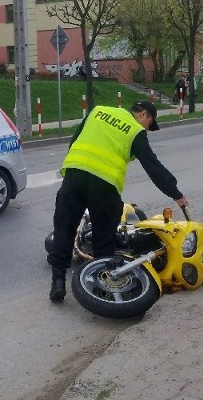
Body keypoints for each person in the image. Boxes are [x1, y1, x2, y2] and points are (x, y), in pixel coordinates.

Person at [46, 100, 189, 302]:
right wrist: (176, 193)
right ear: (144, 115)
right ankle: (101, 286)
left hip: (74, 175)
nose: (147, 128)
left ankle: (58, 281)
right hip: (104, 185)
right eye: (149, 123)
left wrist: (76, 167)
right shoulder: (135, 131)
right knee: (104, 236)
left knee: (64, 228)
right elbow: (153, 166)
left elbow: (75, 141)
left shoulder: (98, 111)